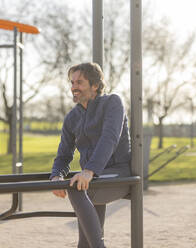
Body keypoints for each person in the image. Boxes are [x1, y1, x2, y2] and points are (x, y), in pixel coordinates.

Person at [50, 62, 131, 248]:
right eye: (72, 83)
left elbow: (109, 138)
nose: (73, 87)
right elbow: (64, 154)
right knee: (84, 244)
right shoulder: (72, 117)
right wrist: (56, 175)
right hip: (92, 178)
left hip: (119, 174)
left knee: (77, 187)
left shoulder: (112, 103)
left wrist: (89, 171)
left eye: (79, 82)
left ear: (95, 85)